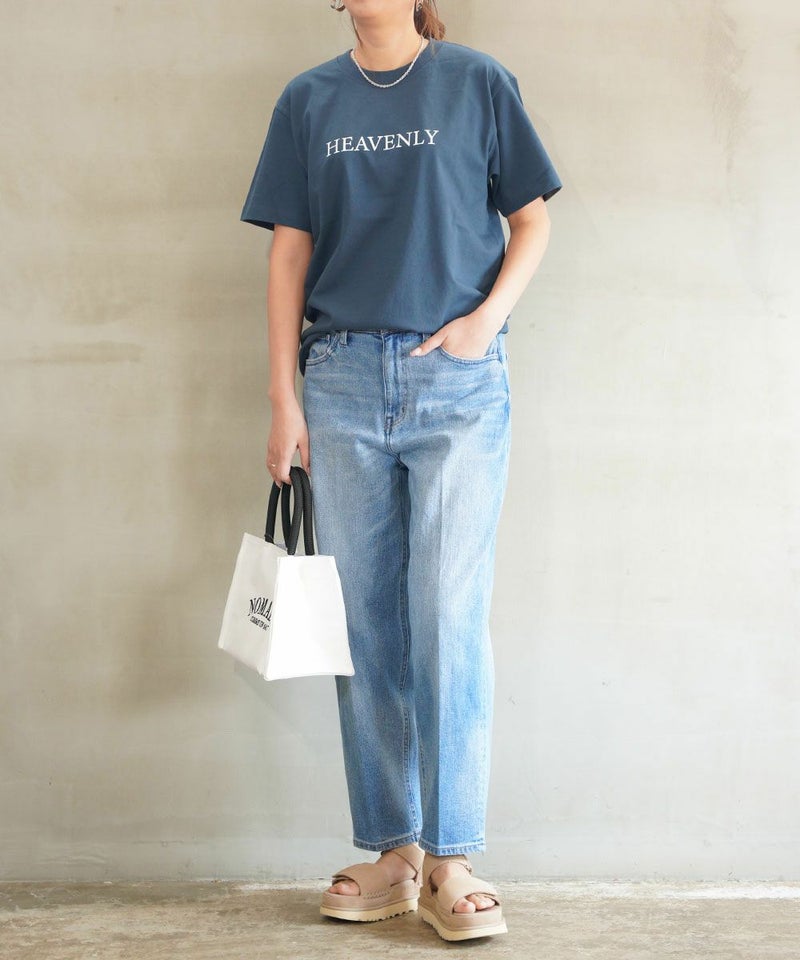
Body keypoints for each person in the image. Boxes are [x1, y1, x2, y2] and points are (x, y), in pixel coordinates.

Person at [240, 0, 562, 943]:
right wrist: (283, 396)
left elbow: (532, 220)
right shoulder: (309, 99)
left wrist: (485, 323)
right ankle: (397, 853)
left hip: (456, 381)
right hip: (339, 381)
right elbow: (289, 252)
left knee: (448, 613)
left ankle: (452, 857)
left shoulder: (477, 82)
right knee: (367, 623)